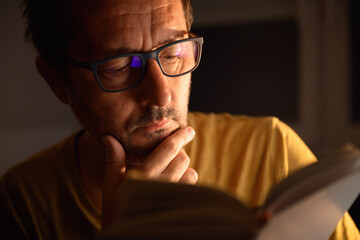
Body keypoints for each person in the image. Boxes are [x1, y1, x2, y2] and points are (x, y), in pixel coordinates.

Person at [0, 0, 358, 239]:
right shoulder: (23, 202)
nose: (161, 95)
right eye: (120, 67)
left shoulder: (271, 149)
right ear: (57, 81)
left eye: (173, 53)